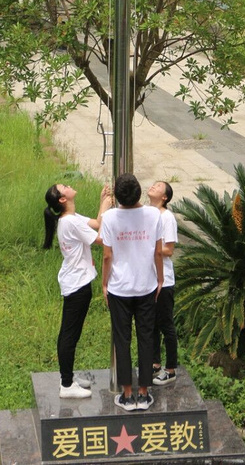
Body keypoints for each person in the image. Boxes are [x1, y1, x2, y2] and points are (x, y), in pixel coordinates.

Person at [100, 172, 163, 412]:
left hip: (119, 288)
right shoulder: (153, 214)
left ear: (117, 196)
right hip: (146, 285)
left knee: (122, 339)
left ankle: (127, 394)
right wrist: (160, 278)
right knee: (146, 337)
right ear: (139, 192)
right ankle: (144, 393)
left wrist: (104, 283)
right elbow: (158, 252)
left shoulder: (109, 217)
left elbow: (107, 256)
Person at [44, 181, 112, 399]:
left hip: (76, 282)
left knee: (70, 334)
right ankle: (66, 384)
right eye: (64, 187)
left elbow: (97, 223)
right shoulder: (70, 222)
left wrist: (103, 203)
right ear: (63, 199)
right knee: (69, 335)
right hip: (77, 285)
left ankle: (68, 377)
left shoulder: (70, 218)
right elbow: (101, 239)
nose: (68, 185)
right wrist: (108, 210)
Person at [147, 180, 178, 385]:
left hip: (164, 280)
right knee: (151, 324)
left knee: (166, 325)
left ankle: (171, 368)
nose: (153, 186)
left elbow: (169, 249)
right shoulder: (147, 214)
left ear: (164, 197)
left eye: (158, 186)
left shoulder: (167, 217)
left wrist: (148, 248)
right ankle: (155, 363)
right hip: (148, 279)